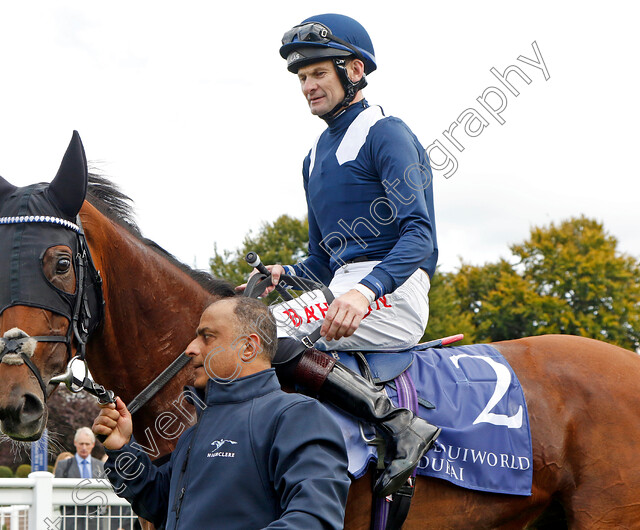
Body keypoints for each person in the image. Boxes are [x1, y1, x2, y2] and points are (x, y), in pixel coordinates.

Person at [242, 13, 443, 498]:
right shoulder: (313, 158)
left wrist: (365, 290)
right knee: (243, 329)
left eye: (317, 74)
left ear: (353, 71)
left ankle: (399, 426)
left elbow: (421, 237)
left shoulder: (387, 133)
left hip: (393, 290)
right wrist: (284, 272)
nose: (307, 86)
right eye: (302, 78)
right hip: (341, 289)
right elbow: (321, 259)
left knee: (268, 335)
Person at [93, 297, 350, 529]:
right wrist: (121, 448)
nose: (190, 348)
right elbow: (160, 505)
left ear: (248, 348)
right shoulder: (192, 435)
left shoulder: (297, 417)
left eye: (207, 336)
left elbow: (314, 520)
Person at [54, 427, 105, 530]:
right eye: (81, 444)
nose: (84, 447)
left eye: (87, 444)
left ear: (93, 445)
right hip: (70, 521)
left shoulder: (101, 467)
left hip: (94, 522)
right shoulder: (63, 466)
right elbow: (57, 493)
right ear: (75, 443)